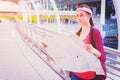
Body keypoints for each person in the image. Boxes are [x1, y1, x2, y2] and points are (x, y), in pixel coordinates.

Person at [71, 4, 106, 80]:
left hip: (89, 76)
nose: (78, 18)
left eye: (81, 15)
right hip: (76, 73)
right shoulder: (77, 33)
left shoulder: (95, 32)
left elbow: (103, 58)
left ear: (89, 15)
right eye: (77, 16)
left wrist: (94, 50)